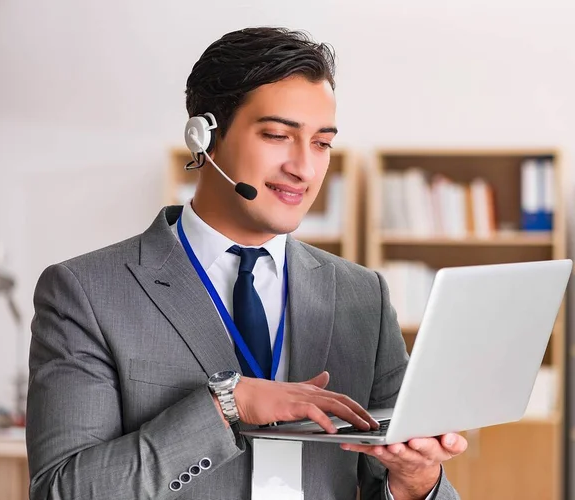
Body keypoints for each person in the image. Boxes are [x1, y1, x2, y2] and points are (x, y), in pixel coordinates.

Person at [26, 27, 467, 500]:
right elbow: (61, 490)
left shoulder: (362, 295)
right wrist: (223, 408)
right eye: (278, 135)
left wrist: (418, 481)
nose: (304, 168)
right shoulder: (87, 292)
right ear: (204, 136)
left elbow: (394, 476)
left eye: (321, 143)